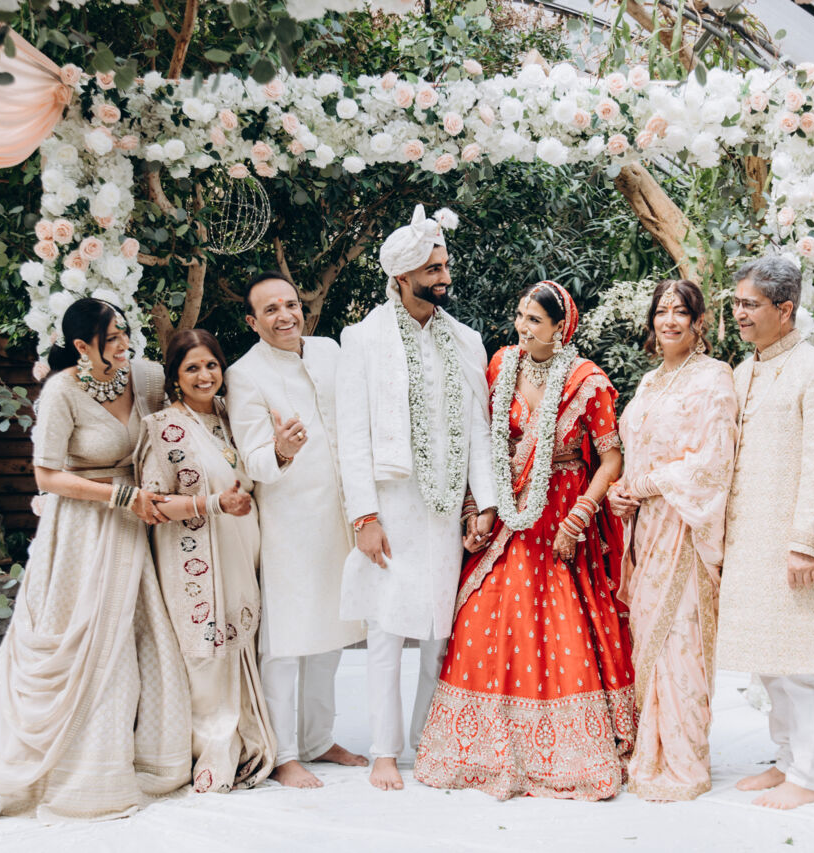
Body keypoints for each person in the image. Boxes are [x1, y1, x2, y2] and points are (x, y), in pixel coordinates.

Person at [0, 298, 191, 820]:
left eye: (124, 333)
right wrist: (119, 496)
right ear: (82, 346)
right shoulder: (61, 391)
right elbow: (46, 476)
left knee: (144, 633)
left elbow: (189, 408)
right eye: (112, 338)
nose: (124, 345)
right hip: (83, 527)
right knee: (88, 637)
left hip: (142, 522)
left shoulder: (147, 378)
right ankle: (86, 768)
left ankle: (153, 752)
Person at [414, 280, 636, 800]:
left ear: (561, 328)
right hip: (511, 518)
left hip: (561, 517)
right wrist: (477, 508)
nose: (522, 327)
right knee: (485, 614)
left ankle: (568, 748)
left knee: (562, 623)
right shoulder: (501, 366)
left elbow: (611, 459)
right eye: (520, 316)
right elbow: (482, 442)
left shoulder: (587, 382)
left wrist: (579, 517)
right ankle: (479, 747)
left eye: (534, 320)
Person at [336, 204, 498, 792]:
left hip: (446, 506)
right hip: (391, 504)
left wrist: (484, 502)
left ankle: (430, 739)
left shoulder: (466, 340)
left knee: (438, 631)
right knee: (385, 629)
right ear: (401, 276)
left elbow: (479, 428)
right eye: (434, 269)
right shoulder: (363, 339)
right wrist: (364, 515)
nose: (445, 277)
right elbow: (351, 434)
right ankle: (385, 751)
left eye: (445, 266)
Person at [717, 257, 814, 810]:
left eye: (750, 304)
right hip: (747, 539)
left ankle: (806, 774)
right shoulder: (742, 371)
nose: (740, 313)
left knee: (798, 664)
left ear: (786, 308)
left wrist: (807, 544)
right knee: (768, 660)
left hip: (792, 542)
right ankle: (783, 760)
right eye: (737, 303)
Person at [224, 272, 368, 788]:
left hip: (340, 516)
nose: (285, 316)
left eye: (290, 304)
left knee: (332, 634)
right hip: (288, 524)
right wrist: (282, 450)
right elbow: (253, 459)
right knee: (285, 642)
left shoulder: (329, 350)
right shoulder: (244, 374)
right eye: (270, 310)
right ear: (252, 321)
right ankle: (282, 752)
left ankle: (317, 738)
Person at [609, 279, 738, 801]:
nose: (669, 321)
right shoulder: (648, 382)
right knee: (649, 635)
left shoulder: (714, 378)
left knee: (680, 637)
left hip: (686, 526)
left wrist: (644, 485)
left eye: (680, 312)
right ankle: (650, 750)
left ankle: (684, 761)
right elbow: (634, 456)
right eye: (662, 311)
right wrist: (623, 494)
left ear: (698, 322)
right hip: (645, 529)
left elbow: (714, 461)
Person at [135, 329, 276, 793]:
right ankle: (208, 750)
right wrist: (213, 504)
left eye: (211, 365)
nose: (204, 375)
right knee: (203, 654)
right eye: (192, 367)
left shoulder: (232, 416)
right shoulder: (163, 427)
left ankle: (242, 739)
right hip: (191, 557)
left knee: (239, 643)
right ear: (175, 376)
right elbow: (154, 505)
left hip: (241, 550)